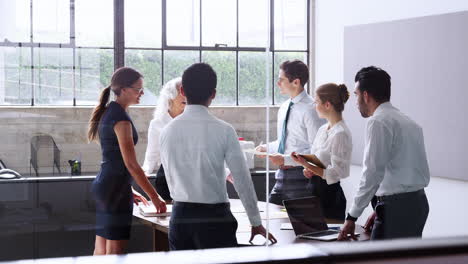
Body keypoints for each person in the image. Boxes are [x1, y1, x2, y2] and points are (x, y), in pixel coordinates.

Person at [160, 63, 276, 250]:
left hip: (180, 217)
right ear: (213, 94)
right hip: (214, 218)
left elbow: (171, 173)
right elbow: (242, 179)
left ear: (182, 91)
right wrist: (255, 222)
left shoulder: (167, 131)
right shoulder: (224, 130)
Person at [339, 66, 430, 240]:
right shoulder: (408, 121)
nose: (355, 101)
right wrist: (379, 206)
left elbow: (372, 173)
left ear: (366, 95)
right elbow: (403, 170)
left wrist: (352, 216)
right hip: (416, 205)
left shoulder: (378, 122)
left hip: (396, 209)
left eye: (356, 95)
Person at [88, 67, 166, 255]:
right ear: (123, 89)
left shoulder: (109, 112)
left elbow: (113, 160)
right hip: (114, 188)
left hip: (107, 185)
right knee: (115, 251)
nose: (142, 93)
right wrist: (154, 197)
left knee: (101, 247)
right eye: (138, 89)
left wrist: (129, 189)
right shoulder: (120, 119)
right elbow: (131, 164)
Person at [256, 60, 325, 205]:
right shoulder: (284, 107)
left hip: (302, 179)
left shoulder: (312, 109)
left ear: (296, 82)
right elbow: (286, 143)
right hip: (281, 177)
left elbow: (318, 153)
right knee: (269, 220)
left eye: (281, 80)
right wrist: (267, 148)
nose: (278, 83)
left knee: (298, 225)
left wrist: (285, 159)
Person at [290, 83, 352, 220]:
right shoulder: (322, 129)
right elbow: (318, 161)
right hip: (313, 192)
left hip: (330, 198)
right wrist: (308, 169)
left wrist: (307, 165)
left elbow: (337, 173)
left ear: (327, 105)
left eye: (316, 101)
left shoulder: (340, 133)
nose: (314, 105)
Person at [142, 77, 186, 202]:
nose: (186, 96)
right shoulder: (157, 123)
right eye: (182, 92)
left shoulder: (192, 120)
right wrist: (143, 174)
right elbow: (152, 154)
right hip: (166, 177)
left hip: (191, 176)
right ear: (171, 95)